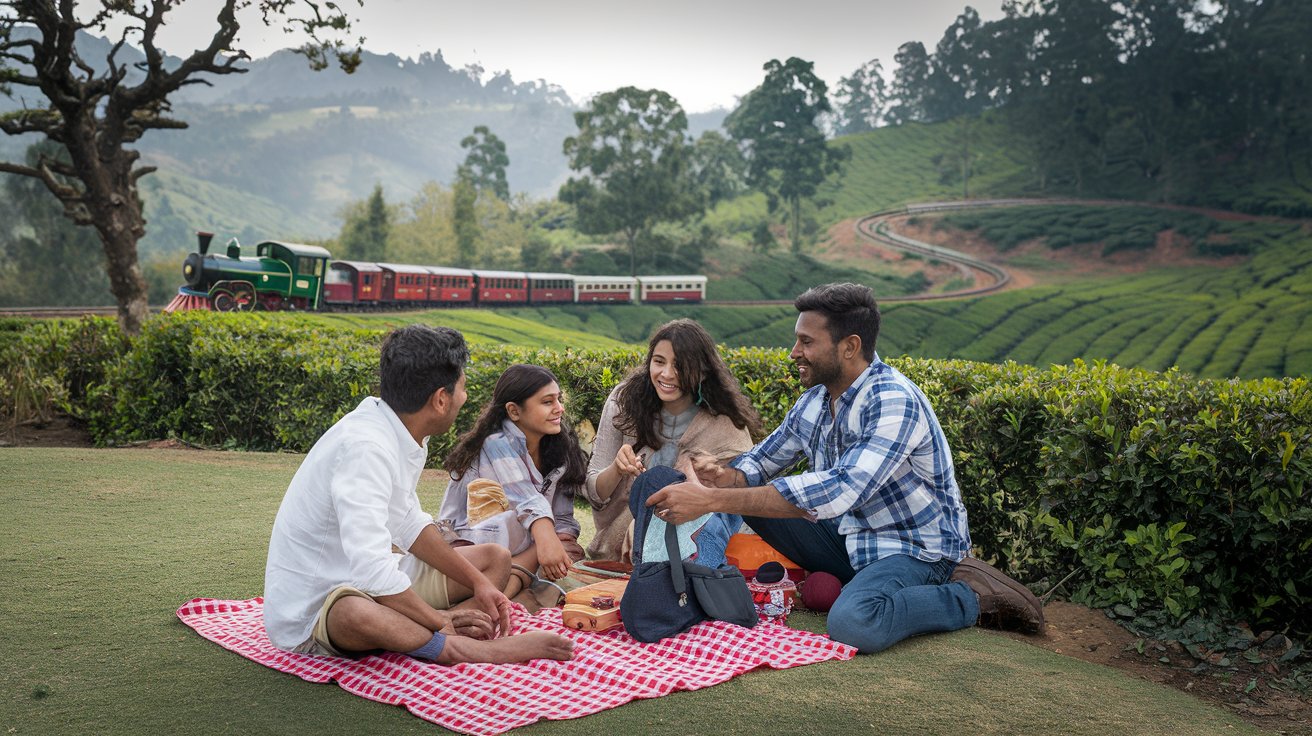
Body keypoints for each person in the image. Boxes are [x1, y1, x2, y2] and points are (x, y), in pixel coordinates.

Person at [647, 283, 1045, 653]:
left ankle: (971, 596)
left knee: (855, 621)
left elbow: (840, 490)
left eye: (806, 342)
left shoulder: (893, 401)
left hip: (915, 548)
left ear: (849, 346)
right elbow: (760, 463)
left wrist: (710, 499)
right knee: (743, 498)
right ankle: (710, 580)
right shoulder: (816, 401)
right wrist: (723, 477)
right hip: (851, 536)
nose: (794, 352)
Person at [262, 325, 573, 665]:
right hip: (319, 607)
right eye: (463, 388)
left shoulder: (399, 429)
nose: (465, 397)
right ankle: (458, 646)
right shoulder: (366, 448)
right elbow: (370, 568)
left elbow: (408, 523)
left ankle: (431, 631)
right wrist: (437, 619)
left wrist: (479, 584)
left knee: (494, 561)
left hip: (373, 583)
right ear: (441, 399)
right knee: (352, 612)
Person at [584, 319, 762, 566]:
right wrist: (616, 469)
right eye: (659, 362)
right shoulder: (623, 403)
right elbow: (594, 492)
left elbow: (741, 499)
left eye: (680, 366)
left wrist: (708, 476)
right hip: (620, 541)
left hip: (693, 537)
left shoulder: (724, 423)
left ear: (702, 372)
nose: (666, 374)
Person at [439, 364, 588, 596]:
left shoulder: (560, 450)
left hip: (522, 546)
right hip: (469, 544)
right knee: (523, 525)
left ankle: (515, 583)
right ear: (514, 411)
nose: (559, 408)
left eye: (558, 399)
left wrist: (562, 546)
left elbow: (562, 518)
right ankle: (510, 588)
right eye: (548, 402)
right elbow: (525, 499)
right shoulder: (495, 443)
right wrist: (546, 544)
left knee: (566, 553)